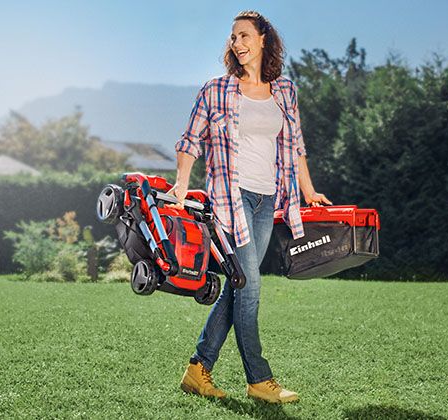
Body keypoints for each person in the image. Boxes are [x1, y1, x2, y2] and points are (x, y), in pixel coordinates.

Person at [168, 10, 331, 404]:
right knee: (250, 284)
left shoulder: (285, 91)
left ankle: (197, 369)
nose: (237, 44)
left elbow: (295, 146)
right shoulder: (216, 90)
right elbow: (191, 139)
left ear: (262, 40)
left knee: (239, 283)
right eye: (233, 38)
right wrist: (182, 182)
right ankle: (259, 379)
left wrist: (309, 191)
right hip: (231, 194)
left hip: (267, 198)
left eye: (244, 36)